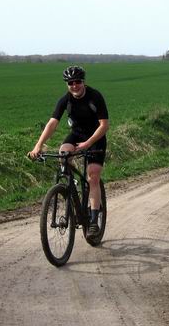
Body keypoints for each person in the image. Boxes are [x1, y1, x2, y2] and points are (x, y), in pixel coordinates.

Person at [29, 65, 109, 238]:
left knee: (93, 176)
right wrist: (38, 146)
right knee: (63, 154)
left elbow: (104, 125)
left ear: (83, 82)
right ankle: (70, 190)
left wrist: (88, 143)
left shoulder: (95, 96)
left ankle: (94, 221)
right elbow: (52, 123)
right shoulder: (65, 100)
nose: (74, 85)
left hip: (95, 138)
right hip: (76, 135)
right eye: (70, 83)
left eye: (78, 82)